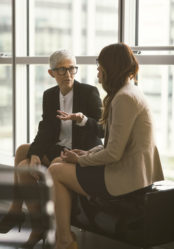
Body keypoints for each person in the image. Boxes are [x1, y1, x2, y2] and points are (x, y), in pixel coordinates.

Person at [46, 43, 164, 249]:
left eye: (100, 67)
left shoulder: (124, 98)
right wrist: (87, 152)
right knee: (57, 162)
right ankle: (63, 237)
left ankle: (64, 239)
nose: (97, 72)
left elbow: (114, 154)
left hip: (126, 178)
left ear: (112, 68)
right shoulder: (128, 92)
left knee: (56, 170)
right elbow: (116, 145)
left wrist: (80, 159)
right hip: (129, 171)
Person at [0, 49, 103, 247]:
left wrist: (82, 120)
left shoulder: (89, 92)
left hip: (80, 152)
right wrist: (36, 153)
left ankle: (25, 217)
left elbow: (101, 129)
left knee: (24, 163)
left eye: (72, 69)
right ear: (51, 73)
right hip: (59, 148)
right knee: (24, 153)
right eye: (62, 70)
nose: (68, 74)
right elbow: (46, 128)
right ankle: (28, 217)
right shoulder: (49, 95)